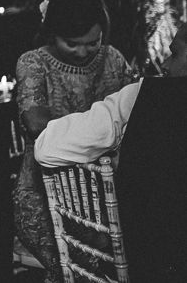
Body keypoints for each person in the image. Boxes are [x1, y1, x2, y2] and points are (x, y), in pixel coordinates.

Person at [35, 22, 187, 283]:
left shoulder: (145, 98)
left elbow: (46, 146)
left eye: (174, 53)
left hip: (153, 265)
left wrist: (121, 145)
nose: (164, 65)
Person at [13, 0, 133, 283]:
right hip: (45, 195)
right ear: (51, 34)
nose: (83, 52)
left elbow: (135, 114)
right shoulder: (33, 63)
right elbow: (36, 123)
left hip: (109, 195)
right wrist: (103, 130)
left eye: (93, 43)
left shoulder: (113, 59)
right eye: (72, 44)